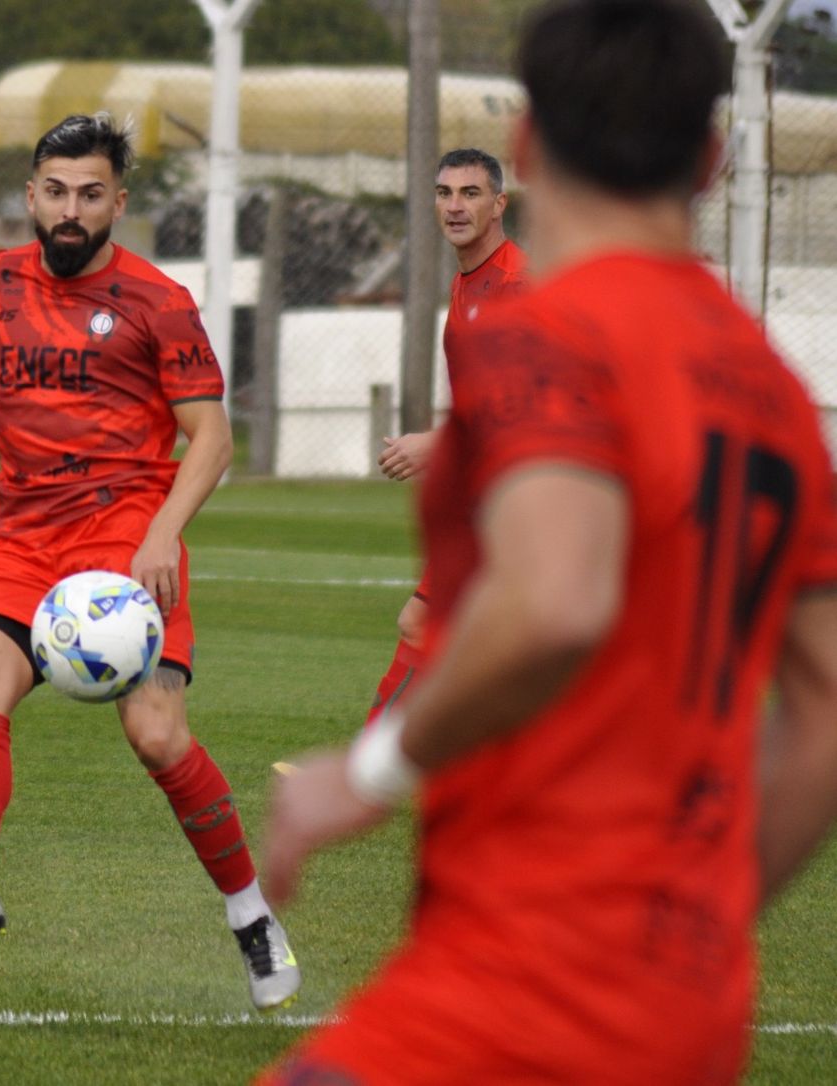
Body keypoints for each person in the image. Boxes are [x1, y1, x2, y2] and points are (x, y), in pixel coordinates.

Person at [258, 0, 837, 1082]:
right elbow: (826, 711)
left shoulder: (552, 336)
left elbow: (558, 596)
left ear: (523, 151)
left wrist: (371, 768)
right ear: (710, 160)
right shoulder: (778, 398)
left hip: (520, 983)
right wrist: (691, 920)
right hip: (691, 1006)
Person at [0, 113, 302, 1013]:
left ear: (117, 203)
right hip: (24, 538)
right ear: (30, 194)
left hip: (125, 537)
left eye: (91, 195)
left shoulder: (159, 300)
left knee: (157, 736)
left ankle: (250, 914)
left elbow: (211, 436)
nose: (70, 210)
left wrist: (164, 531)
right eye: (55, 191)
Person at [365, 148, 528, 726]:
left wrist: (434, 445)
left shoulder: (514, 285)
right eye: (444, 193)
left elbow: (528, 404)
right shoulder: (471, 282)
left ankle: (369, 765)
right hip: (491, 492)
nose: (455, 206)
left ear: (499, 204)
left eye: (470, 193)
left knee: (427, 623)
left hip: (522, 495)